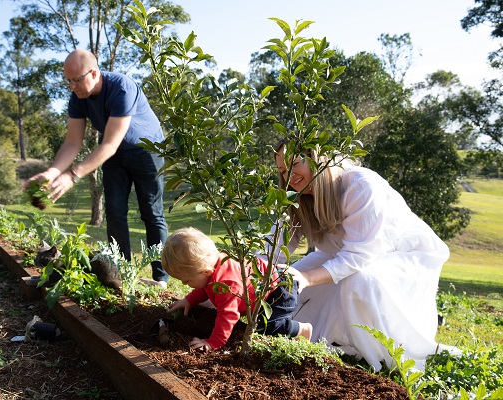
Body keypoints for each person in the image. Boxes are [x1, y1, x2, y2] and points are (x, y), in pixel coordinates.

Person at [270, 138, 450, 371]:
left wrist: (306, 279)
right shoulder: (297, 199)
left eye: (295, 164)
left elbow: (358, 256)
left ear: (317, 159)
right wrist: (257, 271)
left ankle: (374, 357)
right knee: (292, 282)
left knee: (359, 281)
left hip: (402, 257)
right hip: (350, 256)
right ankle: (317, 337)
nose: (289, 176)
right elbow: (273, 249)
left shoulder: (359, 185)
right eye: (282, 171)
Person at [24, 48, 169, 287]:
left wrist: (72, 175)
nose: (72, 86)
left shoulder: (121, 88)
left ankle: (160, 278)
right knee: (114, 211)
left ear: (93, 72)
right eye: (68, 81)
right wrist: (51, 172)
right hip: (115, 154)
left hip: (147, 150)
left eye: (77, 80)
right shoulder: (78, 98)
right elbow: (72, 142)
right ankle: (120, 274)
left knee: (151, 213)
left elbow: (110, 143)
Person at [163, 227, 313, 352]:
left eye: (187, 280)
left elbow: (228, 315)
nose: (183, 283)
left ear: (206, 272)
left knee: (267, 327)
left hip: (279, 290)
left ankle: (302, 330)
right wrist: (189, 300)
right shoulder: (213, 268)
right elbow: (204, 289)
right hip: (269, 283)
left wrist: (213, 342)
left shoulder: (227, 283)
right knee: (259, 326)